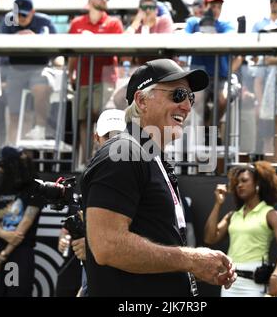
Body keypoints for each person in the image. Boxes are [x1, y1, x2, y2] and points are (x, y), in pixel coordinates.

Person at [80, 58, 236, 296]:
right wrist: (190, 259)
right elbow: (107, 246)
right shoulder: (123, 152)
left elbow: (155, 245)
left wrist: (196, 267)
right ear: (142, 101)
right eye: (178, 94)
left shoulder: (152, 157)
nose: (186, 105)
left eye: (190, 98)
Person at [57, 109, 126, 297]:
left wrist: (94, 249)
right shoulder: (94, 175)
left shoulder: (140, 175)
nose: (113, 142)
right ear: (96, 138)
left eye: (118, 136)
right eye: (108, 136)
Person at [204, 161, 277, 297]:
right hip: (230, 284)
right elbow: (209, 238)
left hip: (254, 285)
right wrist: (218, 203)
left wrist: (275, 277)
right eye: (237, 183)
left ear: (257, 184)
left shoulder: (271, 214)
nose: (239, 185)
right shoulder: (232, 216)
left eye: (244, 181)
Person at [67, 0, 123, 168]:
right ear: (91, 0)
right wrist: (71, 74)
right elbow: (71, 52)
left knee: (98, 114)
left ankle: (100, 157)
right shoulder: (77, 23)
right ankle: (86, 162)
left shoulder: (114, 23)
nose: (105, 0)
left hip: (105, 78)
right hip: (83, 77)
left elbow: (119, 50)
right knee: (83, 119)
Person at [0, 146, 44, 297]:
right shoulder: (1, 189)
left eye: (3, 165)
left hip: (19, 251)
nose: (0, 170)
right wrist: (5, 234)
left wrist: (3, 255)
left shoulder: (34, 188)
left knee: (16, 291)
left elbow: (24, 226)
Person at [1, 0, 57, 142]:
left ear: (32, 12)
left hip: (40, 66)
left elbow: (56, 47)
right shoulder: (8, 20)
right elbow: (0, 47)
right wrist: (16, 38)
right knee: (14, 115)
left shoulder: (45, 21)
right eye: (17, 14)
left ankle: (40, 127)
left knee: (41, 86)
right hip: (15, 69)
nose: (19, 18)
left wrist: (36, 39)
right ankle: (12, 148)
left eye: (23, 14)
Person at [185, 0, 242, 127]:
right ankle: (208, 127)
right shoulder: (194, 23)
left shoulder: (224, 25)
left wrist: (210, 35)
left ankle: (209, 128)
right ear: (205, 6)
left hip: (221, 77)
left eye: (219, 7)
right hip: (199, 75)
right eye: (212, 6)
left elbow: (232, 37)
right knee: (194, 99)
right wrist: (199, 35)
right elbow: (183, 35)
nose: (216, 10)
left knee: (223, 99)